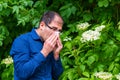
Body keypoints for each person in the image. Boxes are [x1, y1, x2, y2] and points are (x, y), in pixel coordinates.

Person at [10, 11, 64, 80]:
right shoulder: (22, 41)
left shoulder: (51, 45)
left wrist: (56, 55)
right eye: (54, 29)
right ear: (42, 25)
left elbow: (57, 75)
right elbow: (22, 73)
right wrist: (44, 52)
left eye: (59, 31)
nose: (57, 34)